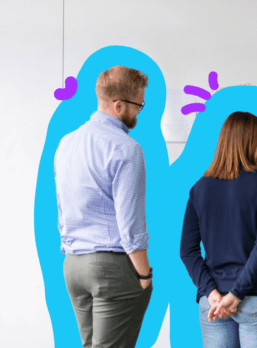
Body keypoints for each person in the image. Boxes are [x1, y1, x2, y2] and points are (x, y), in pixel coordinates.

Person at [54, 65, 153, 348]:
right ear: (118, 104)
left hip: (73, 265)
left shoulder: (66, 143)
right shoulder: (125, 147)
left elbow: (63, 206)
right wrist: (144, 274)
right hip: (111, 266)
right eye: (138, 105)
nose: (139, 112)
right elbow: (130, 222)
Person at [180, 111, 257, 348]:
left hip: (214, 301)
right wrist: (236, 294)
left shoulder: (200, 187)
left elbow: (187, 251)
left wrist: (212, 293)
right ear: (252, 143)